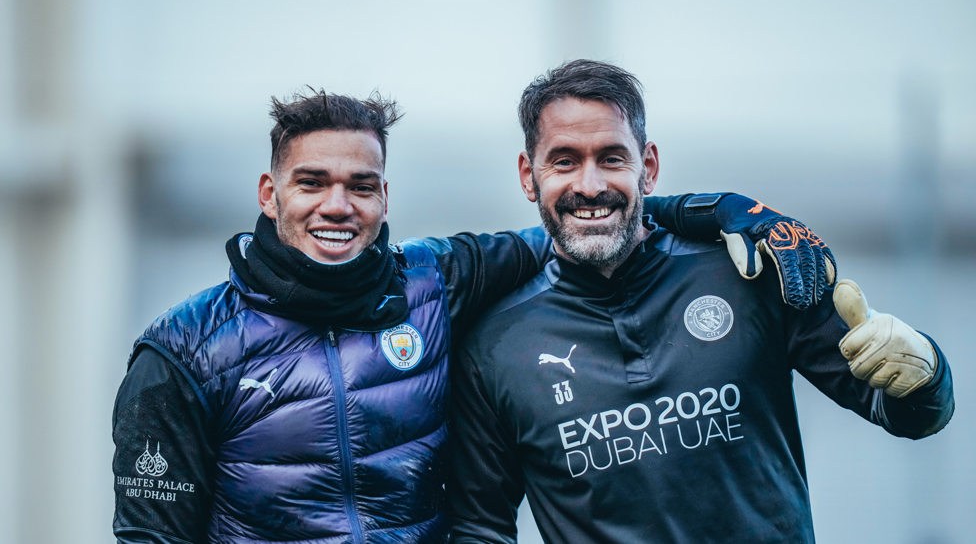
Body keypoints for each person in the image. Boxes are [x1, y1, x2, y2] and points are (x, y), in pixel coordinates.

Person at [111, 89, 833, 544]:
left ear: (386, 197)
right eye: (313, 182)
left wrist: (728, 210)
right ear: (270, 192)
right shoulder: (182, 351)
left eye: (361, 184)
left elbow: (583, 217)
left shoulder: (436, 281)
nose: (338, 205)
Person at [447, 60, 955, 544]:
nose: (591, 185)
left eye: (612, 158)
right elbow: (480, 528)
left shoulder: (749, 271)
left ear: (648, 167)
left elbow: (909, 414)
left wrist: (928, 373)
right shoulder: (493, 348)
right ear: (527, 175)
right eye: (564, 161)